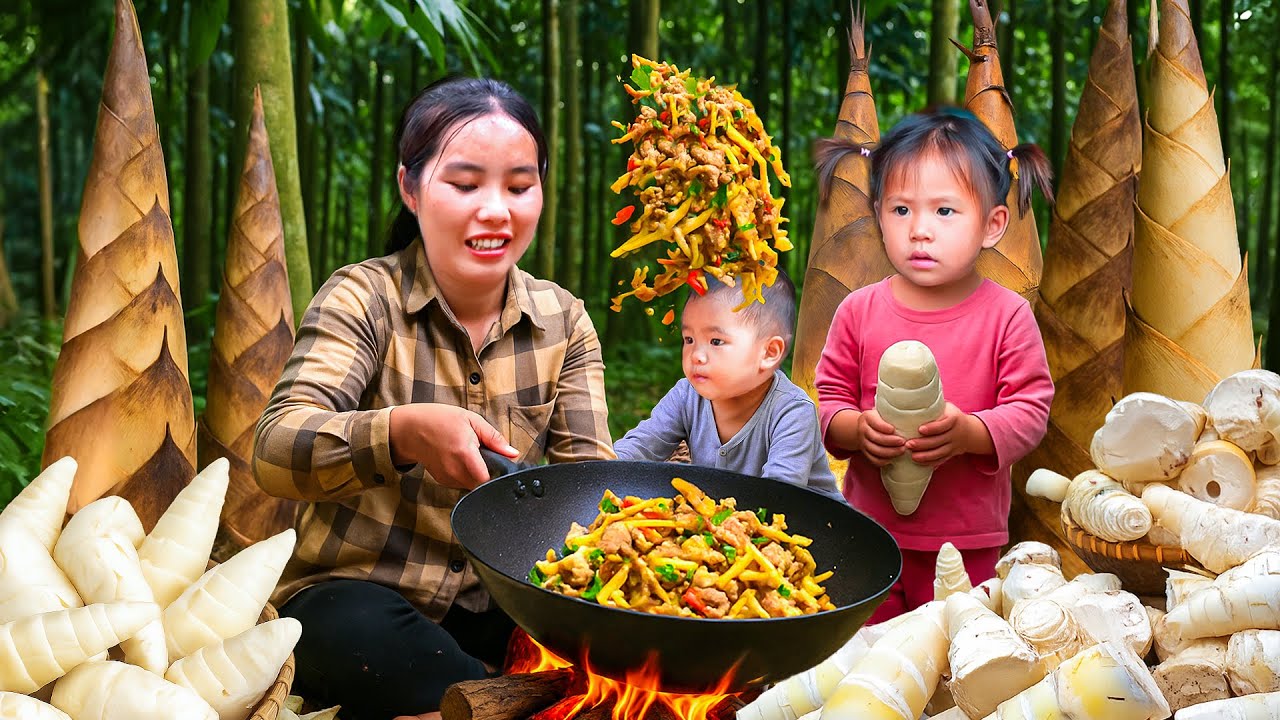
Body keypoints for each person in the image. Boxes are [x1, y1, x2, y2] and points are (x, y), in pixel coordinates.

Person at [253, 76, 614, 720]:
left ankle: (487, 696)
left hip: (505, 602)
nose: (496, 210)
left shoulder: (564, 320)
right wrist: (402, 433)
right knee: (358, 632)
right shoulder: (361, 298)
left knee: (610, 648)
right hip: (360, 601)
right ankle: (510, 697)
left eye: (519, 186)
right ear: (410, 188)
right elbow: (278, 448)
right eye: (465, 184)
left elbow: (591, 490)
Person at [812, 107, 1055, 622]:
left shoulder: (1007, 315)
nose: (920, 230)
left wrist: (971, 432)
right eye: (901, 211)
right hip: (869, 534)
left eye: (944, 212)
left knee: (955, 658)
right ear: (878, 215)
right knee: (870, 661)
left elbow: (1031, 408)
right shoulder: (858, 310)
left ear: (992, 224)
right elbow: (827, 398)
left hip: (968, 542)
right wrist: (855, 429)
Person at [613, 271, 842, 500]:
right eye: (689, 339)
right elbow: (638, 447)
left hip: (816, 524)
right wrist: (597, 466)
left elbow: (778, 496)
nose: (696, 356)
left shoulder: (792, 411)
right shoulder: (686, 396)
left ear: (769, 353)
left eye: (716, 341)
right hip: (734, 516)